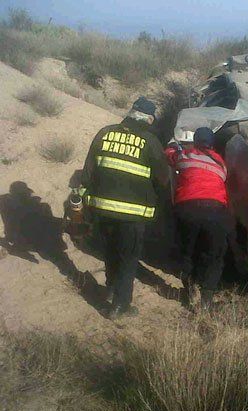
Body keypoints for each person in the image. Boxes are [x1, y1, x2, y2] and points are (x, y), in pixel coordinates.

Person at [81, 97, 170, 318]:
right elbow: (163, 179)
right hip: (133, 213)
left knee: (110, 251)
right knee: (128, 258)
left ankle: (111, 289)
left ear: (130, 113)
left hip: (102, 208)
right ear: (149, 119)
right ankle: (120, 305)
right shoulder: (150, 141)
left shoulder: (105, 133)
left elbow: (88, 172)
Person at [165, 127, 230, 311]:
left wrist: (173, 146)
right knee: (214, 254)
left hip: (187, 208)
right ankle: (207, 299)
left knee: (188, 250)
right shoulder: (220, 162)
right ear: (212, 144)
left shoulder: (186, 155)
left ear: (195, 141)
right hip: (216, 209)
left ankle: (190, 288)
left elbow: (169, 155)